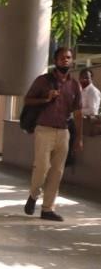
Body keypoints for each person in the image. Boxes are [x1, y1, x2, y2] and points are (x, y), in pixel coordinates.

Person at [23, 47, 82, 222]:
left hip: (64, 132)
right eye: (62, 57)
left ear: (72, 61)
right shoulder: (43, 81)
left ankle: (48, 209)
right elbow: (27, 100)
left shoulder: (75, 85)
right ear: (55, 60)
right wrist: (46, 99)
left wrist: (79, 137)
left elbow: (78, 113)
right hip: (44, 130)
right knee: (42, 167)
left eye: (68, 57)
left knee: (57, 171)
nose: (66, 60)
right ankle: (33, 195)